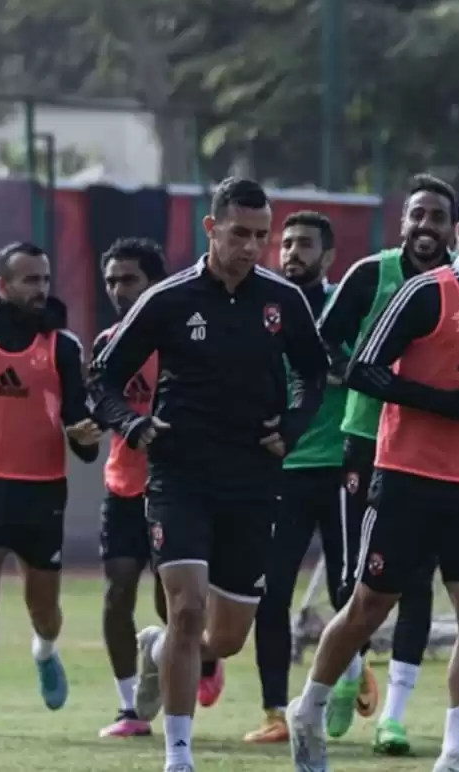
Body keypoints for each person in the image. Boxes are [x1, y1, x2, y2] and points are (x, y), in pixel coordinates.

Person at [288, 184, 459, 772]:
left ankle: (457, 751)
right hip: (406, 478)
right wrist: (445, 403)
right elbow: (364, 369)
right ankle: (307, 708)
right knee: (368, 607)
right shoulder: (425, 292)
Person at [89, 177, 329, 772]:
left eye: (260, 236)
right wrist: (132, 424)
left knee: (223, 640)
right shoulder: (168, 299)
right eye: (238, 233)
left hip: (251, 482)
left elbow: (313, 374)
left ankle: (159, 650)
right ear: (211, 228)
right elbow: (103, 377)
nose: (250, 246)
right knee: (187, 607)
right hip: (179, 478)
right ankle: (178, 755)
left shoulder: (282, 301)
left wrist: (293, 426)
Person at [316, 174, 457, 751]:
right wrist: (357, 373)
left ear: (452, 227)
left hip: (429, 451)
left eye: (437, 217)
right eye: (417, 214)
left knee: (417, 580)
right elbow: (324, 339)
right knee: (355, 577)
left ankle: (393, 717)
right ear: (403, 221)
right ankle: (349, 668)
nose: (426, 226)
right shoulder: (371, 274)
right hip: (366, 440)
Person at [0, 241, 103, 739]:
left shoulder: (63, 347)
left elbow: (78, 425)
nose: (41, 289)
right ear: (2, 285)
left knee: (44, 609)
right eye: (30, 280)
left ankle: (45, 649)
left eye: (45, 279)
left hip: (40, 489)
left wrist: (85, 437)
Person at [244, 212, 348, 745]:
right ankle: (275, 712)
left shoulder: (344, 306)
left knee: (347, 590)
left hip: (340, 466)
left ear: (327, 256)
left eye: (304, 244)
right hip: (279, 471)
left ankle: (346, 676)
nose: (291, 253)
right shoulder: (262, 308)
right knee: (271, 592)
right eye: (285, 244)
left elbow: (362, 370)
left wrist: (335, 364)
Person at [91, 238, 169, 739]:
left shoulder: (180, 342)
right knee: (118, 591)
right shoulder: (107, 343)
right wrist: (87, 426)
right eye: (111, 280)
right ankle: (129, 707)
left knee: (172, 603)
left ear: (154, 284)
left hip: (175, 488)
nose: (118, 290)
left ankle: (186, 656)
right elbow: (101, 402)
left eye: (129, 279)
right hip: (123, 486)